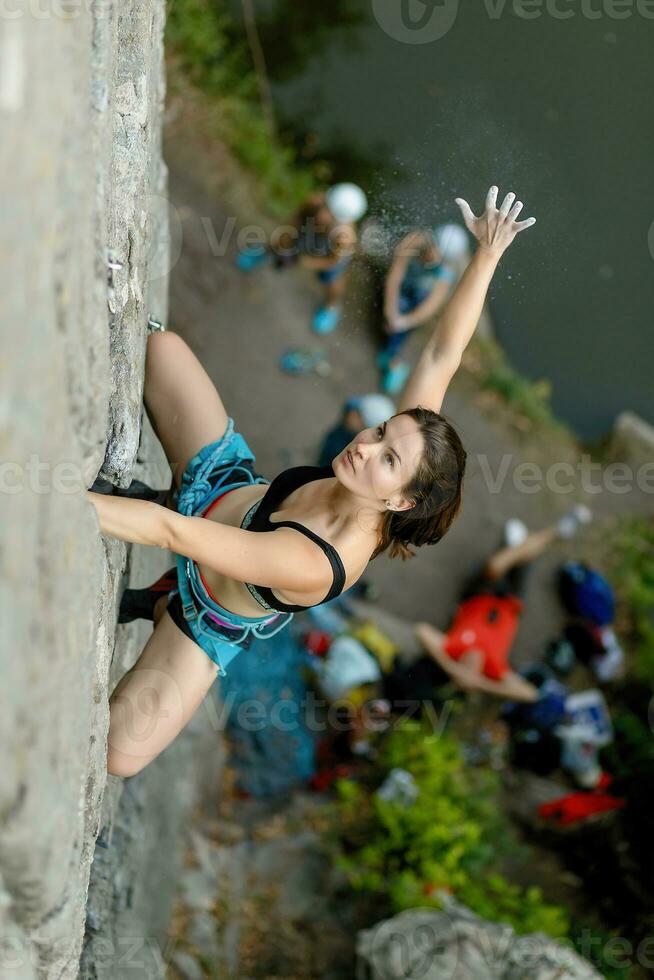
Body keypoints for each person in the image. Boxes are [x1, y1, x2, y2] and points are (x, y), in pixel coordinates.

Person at [87, 185, 536, 777]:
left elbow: (175, 534)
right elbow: (441, 356)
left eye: (387, 459)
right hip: (226, 488)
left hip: (211, 607)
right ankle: (155, 561)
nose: (366, 446)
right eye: (379, 431)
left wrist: (63, 504)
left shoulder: (321, 561)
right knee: (161, 348)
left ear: (400, 500)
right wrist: (487, 255)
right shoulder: (401, 458)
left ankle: (163, 600)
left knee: (121, 754)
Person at [411, 506, 592, 703]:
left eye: (460, 672)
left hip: (479, 593)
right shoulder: (495, 669)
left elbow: (420, 630)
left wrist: (450, 668)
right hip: (511, 602)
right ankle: (551, 535)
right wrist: (481, 683)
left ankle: (524, 544)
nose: (466, 670)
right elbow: (530, 694)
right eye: (468, 676)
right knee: (519, 563)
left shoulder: (453, 648)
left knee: (494, 568)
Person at [237, 182, 368, 334]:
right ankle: (261, 254)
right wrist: (286, 244)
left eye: (331, 215)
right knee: (280, 241)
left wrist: (302, 261)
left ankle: (331, 307)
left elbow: (332, 262)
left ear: (342, 220)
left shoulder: (345, 238)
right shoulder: (314, 202)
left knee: (333, 280)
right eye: (326, 206)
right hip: (310, 232)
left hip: (330, 250)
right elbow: (295, 222)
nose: (323, 214)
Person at [380, 227, 461, 394]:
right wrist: (390, 312)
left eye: (438, 256)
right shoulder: (414, 241)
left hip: (419, 293)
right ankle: (390, 350)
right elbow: (394, 277)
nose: (431, 256)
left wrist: (402, 323)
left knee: (411, 309)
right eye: (432, 249)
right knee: (397, 307)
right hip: (404, 284)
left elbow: (430, 306)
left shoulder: (446, 270)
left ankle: (392, 355)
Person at [317, 394, 395, 468]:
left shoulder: (348, 446)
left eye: (359, 417)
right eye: (356, 412)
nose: (352, 416)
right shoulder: (351, 409)